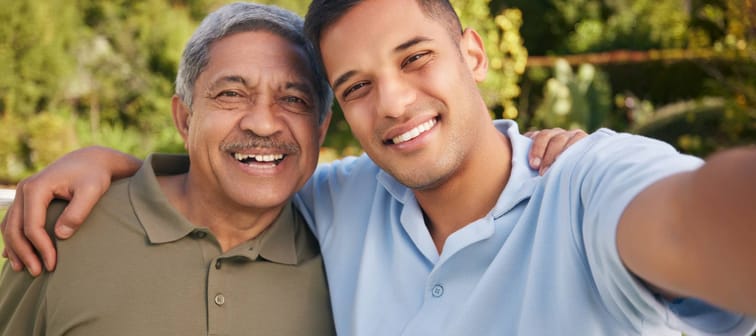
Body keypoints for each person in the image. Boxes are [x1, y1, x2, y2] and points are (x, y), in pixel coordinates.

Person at [7, 0, 752, 335]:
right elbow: (234, 173)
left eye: (416, 58)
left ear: (474, 54)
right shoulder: (344, 201)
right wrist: (110, 166)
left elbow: (701, 215)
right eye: (358, 85)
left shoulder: (588, 185)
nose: (393, 103)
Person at [0, 3, 338, 335]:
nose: (264, 124)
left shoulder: (340, 252)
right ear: (185, 118)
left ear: (320, 129)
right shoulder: (62, 229)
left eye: (294, 99)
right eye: (232, 93)